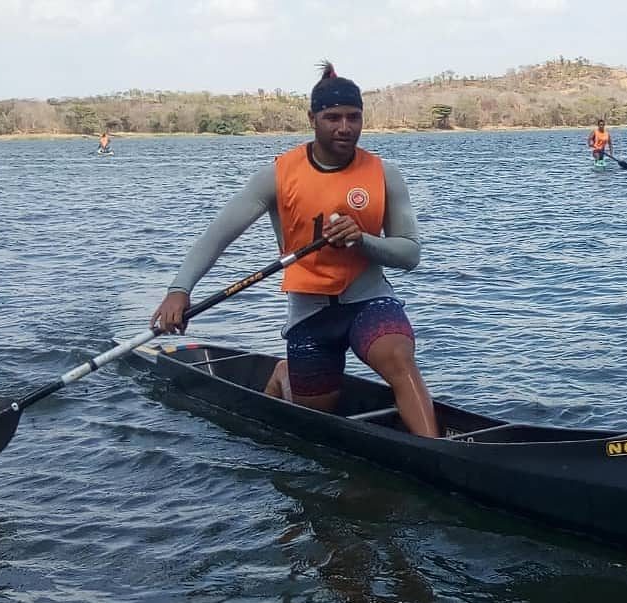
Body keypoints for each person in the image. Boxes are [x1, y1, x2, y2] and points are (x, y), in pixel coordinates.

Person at [150, 60, 440, 438]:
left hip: (369, 301)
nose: (345, 128)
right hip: (310, 313)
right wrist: (179, 290)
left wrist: (362, 239)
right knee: (314, 415)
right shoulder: (277, 176)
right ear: (312, 118)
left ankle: (438, 452)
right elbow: (217, 237)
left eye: (354, 117)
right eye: (333, 117)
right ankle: (285, 374)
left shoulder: (384, 174)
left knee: (398, 357)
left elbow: (410, 255)